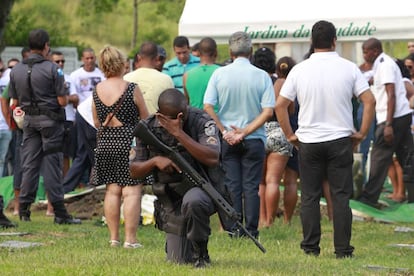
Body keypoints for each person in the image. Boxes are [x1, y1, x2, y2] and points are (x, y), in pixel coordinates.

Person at [275, 20, 375, 258]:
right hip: (340, 138)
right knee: (340, 196)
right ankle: (342, 249)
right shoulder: (349, 68)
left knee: (309, 196)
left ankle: (310, 247)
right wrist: (360, 132)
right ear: (334, 41)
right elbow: (369, 100)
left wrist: (290, 135)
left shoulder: (299, 70)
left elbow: (280, 105)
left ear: (311, 42)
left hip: (308, 140)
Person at [130, 88, 219, 267]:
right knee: (177, 260)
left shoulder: (201, 121)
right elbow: (133, 170)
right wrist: (154, 161)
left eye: (183, 115)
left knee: (194, 202)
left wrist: (179, 133)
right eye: (174, 117)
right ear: (160, 116)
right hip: (171, 197)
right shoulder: (148, 127)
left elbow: (213, 157)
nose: (180, 119)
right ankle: (182, 243)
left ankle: (201, 254)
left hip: (199, 190)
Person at [204, 31, 275, 238]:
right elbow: (268, 111)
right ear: (250, 51)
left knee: (232, 184)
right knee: (251, 186)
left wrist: (224, 130)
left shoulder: (219, 74)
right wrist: (245, 131)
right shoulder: (262, 76)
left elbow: (208, 106)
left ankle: (234, 227)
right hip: (253, 138)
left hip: (227, 137)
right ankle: (252, 230)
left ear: (230, 51)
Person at [8, 29, 81, 224]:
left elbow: (14, 101)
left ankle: (23, 208)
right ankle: (59, 212)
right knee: (52, 165)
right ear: (46, 46)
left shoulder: (16, 70)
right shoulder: (52, 69)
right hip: (51, 124)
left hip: (29, 123)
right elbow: (62, 101)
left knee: (29, 164)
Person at [92, 45, 149, 249]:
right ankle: (130, 240)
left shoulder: (97, 90)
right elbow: (145, 118)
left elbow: (97, 121)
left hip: (106, 141)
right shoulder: (131, 88)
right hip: (129, 142)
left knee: (112, 191)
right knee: (132, 192)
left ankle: (114, 238)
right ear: (122, 64)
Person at [357, 38, 414, 207]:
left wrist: (388, 125)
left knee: (379, 157)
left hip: (392, 118)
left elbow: (391, 95)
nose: (364, 55)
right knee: (407, 157)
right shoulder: (382, 64)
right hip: (401, 116)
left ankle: (369, 197)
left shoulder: (385, 64)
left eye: (366, 52)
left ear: (375, 51)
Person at [63, 48, 105, 191]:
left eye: (92, 58)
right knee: (86, 153)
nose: (90, 61)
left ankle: (92, 184)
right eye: (87, 58)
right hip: (85, 117)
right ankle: (71, 186)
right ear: (82, 59)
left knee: (87, 154)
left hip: (93, 116)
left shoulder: (101, 75)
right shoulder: (76, 75)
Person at [124, 41, 174, 114]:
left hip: (132, 124)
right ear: (157, 58)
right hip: (157, 123)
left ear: (138, 57)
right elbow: (170, 107)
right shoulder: (166, 80)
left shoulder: (126, 79)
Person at [183, 37, 220, 110]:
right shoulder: (222, 73)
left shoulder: (186, 75)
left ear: (199, 53)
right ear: (216, 52)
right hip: (217, 119)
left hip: (195, 119)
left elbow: (186, 102)